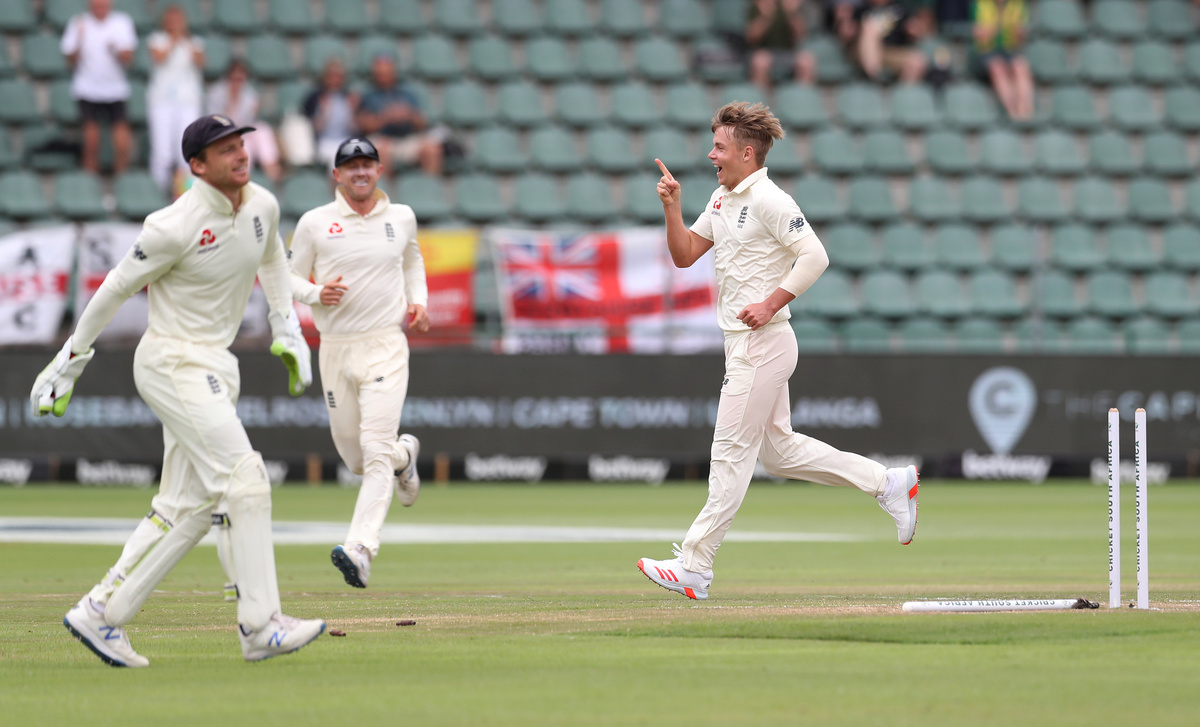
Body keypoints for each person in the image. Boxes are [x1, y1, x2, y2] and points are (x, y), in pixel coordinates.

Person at [33, 114, 324, 667]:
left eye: (241, 143)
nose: (240, 154)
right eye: (225, 148)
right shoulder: (173, 225)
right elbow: (114, 288)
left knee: (188, 508)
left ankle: (101, 612)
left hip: (216, 364)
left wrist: (286, 325)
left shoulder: (262, 205)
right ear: (198, 165)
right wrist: (71, 359)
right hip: (171, 362)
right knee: (244, 478)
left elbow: (272, 261)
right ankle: (260, 624)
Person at [637, 102, 918, 600]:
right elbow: (684, 255)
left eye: (719, 147)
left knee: (730, 452)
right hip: (744, 343)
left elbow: (815, 256)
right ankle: (888, 483)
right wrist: (672, 207)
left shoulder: (770, 199)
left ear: (747, 153)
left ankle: (696, 566)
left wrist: (770, 303)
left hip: (762, 343)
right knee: (779, 453)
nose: (711, 155)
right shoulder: (721, 199)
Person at [287, 137, 429, 589]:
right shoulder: (314, 223)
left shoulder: (401, 217)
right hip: (335, 347)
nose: (361, 172)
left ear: (380, 170)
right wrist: (315, 293)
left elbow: (412, 261)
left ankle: (360, 549)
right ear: (337, 175)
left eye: (368, 164)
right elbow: (286, 277)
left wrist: (419, 301)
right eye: (351, 166)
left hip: (385, 344)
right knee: (357, 458)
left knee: (374, 446)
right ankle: (405, 457)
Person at [60, 0, 137, 174]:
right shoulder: (78, 23)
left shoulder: (122, 22)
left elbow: (128, 58)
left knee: (122, 144)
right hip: (87, 90)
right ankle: (90, 182)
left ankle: (121, 181)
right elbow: (70, 59)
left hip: (116, 90)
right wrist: (79, 40)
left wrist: (116, 50)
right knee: (91, 143)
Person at [146, 4, 205, 191]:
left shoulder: (194, 42)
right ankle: (158, 189)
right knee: (162, 152)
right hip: (161, 100)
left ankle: (186, 192)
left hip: (188, 101)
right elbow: (159, 58)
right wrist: (174, 40)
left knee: (186, 150)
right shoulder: (157, 40)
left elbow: (201, 62)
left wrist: (184, 41)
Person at [356, 54, 444, 177]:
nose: (384, 76)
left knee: (431, 149)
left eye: (387, 73)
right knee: (382, 150)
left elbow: (422, 122)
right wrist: (386, 117)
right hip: (383, 138)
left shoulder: (407, 94)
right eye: (380, 73)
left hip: (407, 138)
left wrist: (409, 115)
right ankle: (384, 188)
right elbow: (365, 126)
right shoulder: (368, 95)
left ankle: (430, 186)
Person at [205, 59, 283, 183]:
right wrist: (232, 100)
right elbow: (215, 122)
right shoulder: (216, 93)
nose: (238, 82)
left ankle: (273, 172)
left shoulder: (249, 94)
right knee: (244, 145)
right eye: (234, 78)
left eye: (241, 79)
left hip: (242, 132)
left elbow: (248, 121)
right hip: (222, 136)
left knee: (263, 130)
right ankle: (241, 178)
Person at [971, 0, 1033, 121]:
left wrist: (1019, 32)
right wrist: (993, 29)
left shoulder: (1017, 3)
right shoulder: (981, 4)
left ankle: (1025, 113)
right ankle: (1013, 114)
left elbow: (1023, 35)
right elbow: (977, 34)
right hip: (987, 51)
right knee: (998, 67)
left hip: (1010, 49)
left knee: (1020, 66)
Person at [303, 58, 360, 168]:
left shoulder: (348, 97)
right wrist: (323, 113)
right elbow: (311, 129)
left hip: (346, 140)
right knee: (336, 159)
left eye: (338, 76)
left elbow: (356, 129)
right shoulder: (315, 97)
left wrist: (353, 112)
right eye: (331, 76)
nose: (335, 79)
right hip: (325, 142)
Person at [746, 0, 817, 88]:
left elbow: (801, 36)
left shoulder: (791, 5)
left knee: (806, 61)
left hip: (789, 52)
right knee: (760, 61)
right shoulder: (758, 4)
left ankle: (802, 95)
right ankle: (760, 96)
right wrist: (766, 17)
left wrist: (791, 14)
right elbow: (752, 37)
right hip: (764, 51)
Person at [854, 0, 930, 82]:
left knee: (916, 61)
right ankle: (874, 81)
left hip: (890, 52)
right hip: (862, 52)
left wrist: (913, 30)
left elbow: (914, 29)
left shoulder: (899, 10)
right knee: (869, 27)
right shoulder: (861, 9)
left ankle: (903, 89)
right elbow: (849, 33)